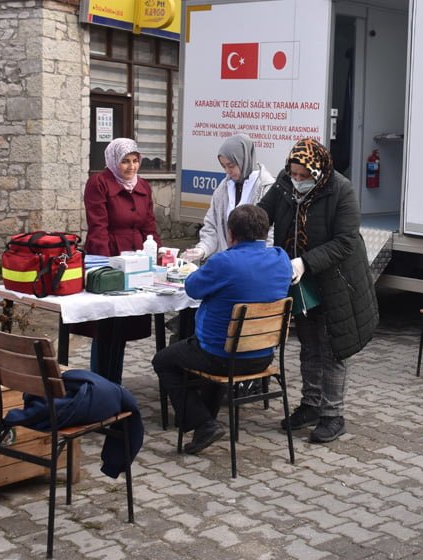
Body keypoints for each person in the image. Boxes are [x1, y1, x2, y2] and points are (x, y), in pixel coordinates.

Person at [258, 138, 378, 444]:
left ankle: (333, 415)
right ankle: (310, 405)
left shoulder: (341, 190)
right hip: (300, 281)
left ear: (318, 170)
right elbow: (263, 215)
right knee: (309, 344)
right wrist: (244, 231)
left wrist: (304, 262)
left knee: (333, 348)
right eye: (294, 174)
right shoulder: (285, 184)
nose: (297, 180)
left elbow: (345, 241)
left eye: (304, 175)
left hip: (336, 280)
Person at [152, 204, 292, 455]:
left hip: (222, 356)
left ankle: (203, 422)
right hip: (262, 356)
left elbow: (193, 288)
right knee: (213, 350)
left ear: (230, 235)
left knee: (164, 359)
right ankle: (206, 424)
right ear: (264, 232)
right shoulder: (281, 259)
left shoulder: (224, 262)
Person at [81, 138, 160, 383]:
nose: (131, 167)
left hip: (137, 255)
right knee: (106, 320)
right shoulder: (100, 183)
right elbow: (98, 225)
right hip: (110, 252)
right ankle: (101, 380)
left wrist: (155, 254)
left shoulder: (143, 186)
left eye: (136, 161)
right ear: (114, 161)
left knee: (126, 321)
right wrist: (104, 265)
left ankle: (114, 379)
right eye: (125, 161)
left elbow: (149, 223)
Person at [183, 134, 277, 264]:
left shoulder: (267, 188)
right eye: (224, 166)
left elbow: (269, 235)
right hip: (226, 264)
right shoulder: (222, 189)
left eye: (231, 165)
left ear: (244, 159)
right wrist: (202, 249)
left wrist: (258, 265)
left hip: (253, 266)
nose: (227, 171)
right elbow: (212, 227)